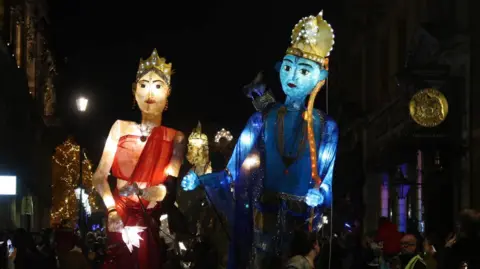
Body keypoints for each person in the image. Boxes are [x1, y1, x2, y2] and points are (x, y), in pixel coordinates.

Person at [182, 11, 338, 269]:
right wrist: (199, 179)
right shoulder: (261, 119)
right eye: (288, 67)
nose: (293, 77)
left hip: (302, 220)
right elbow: (232, 170)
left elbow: (327, 181)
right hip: (264, 213)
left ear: (320, 78)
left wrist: (319, 195)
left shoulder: (327, 127)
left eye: (304, 71)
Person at [92, 49, 186, 269]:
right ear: (134, 90)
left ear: (168, 92)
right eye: (143, 85)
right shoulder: (120, 127)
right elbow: (99, 176)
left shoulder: (176, 138)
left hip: (150, 213)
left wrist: (145, 192)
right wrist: (113, 210)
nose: (149, 93)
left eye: (157, 86)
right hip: (120, 209)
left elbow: (168, 187)